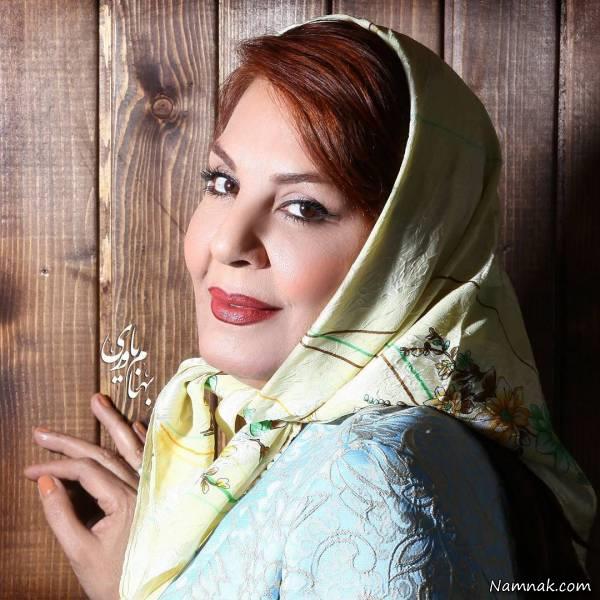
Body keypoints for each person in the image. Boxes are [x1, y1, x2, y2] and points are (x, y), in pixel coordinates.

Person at [24, 13, 596, 600]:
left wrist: (122, 591)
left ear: (405, 253)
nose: (228, 243)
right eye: (223, 182)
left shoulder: (371, 475)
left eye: (304, 208)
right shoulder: (304, 445)